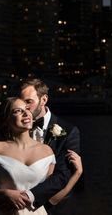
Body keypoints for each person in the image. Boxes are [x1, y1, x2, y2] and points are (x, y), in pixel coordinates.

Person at [0, 96, 82, 215]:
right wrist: (5, 194)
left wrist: (76, 174)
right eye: (18, 111)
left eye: (27, 109)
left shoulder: (47, 151)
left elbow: (52, 199)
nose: (26, 113)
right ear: (6, 121)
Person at [19, 78, 81, 215]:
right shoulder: (15, 127)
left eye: (29, 102)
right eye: (22, 102)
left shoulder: (69, 132)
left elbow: (63, 175)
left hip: (53, 207)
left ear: (44, 100)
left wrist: (27, 198)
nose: (25, 108)